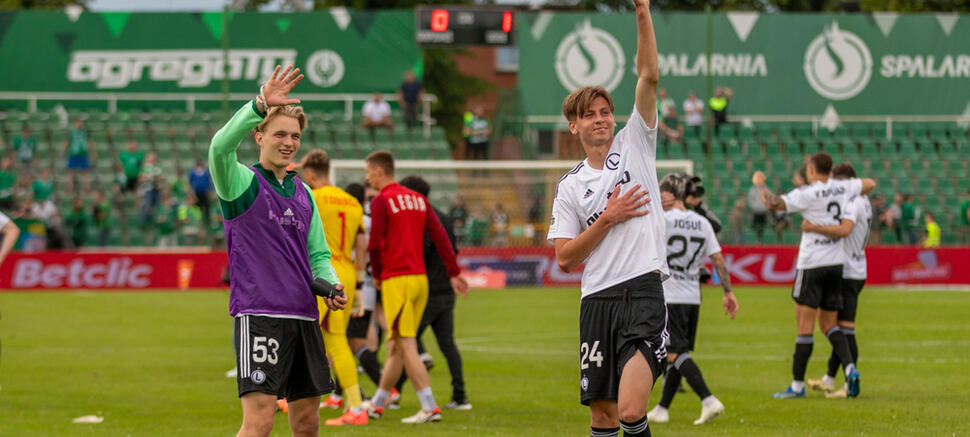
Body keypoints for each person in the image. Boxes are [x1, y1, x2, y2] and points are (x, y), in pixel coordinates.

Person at [546, 2, 665, 435]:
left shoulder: (635, 140)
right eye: (589, 115)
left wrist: (642, 11)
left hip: (642, 290)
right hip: (596, 299)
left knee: (632, 409)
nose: (600, 119)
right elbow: (564, 258)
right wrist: (608, 218)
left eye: (604, 112)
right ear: (573, 127)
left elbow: (648, 75)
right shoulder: (569, 186)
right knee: (602, 416)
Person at [209, 64, 346, 437]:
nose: (289, 142)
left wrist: (332, 285)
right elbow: (220, 146)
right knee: (260, 423)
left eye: (296, 136)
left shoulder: (304, 194)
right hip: (260, 314)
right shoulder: (240, 182)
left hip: (304, 316)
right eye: (280, 133)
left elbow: (318, 255)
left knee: (307, 424)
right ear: (259, 136)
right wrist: (258, 103)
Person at [751, 152, 875, 399]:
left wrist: (759, 183)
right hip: (836, 264)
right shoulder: (843, 187)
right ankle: (850, 369)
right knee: (829, 325)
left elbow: (773, 203)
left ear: (811, 170)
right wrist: (847, 187)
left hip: (812, 263)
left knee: (804, 327)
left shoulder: (807, 193)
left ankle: (797, 386)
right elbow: (870, 183)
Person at [360, 150, 468, 424]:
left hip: (397, 280)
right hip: (420, 281)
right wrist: (454, 271)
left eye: (369, 171)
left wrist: (377, 276)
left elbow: (374, 244)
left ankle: (429, 407)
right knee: (397, 343)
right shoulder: (418, 200)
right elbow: (441, 237)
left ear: (380, 171)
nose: (367, 176)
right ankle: (377, 404)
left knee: (406, 343)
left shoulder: (383, 200)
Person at [647, 173, 738, 425]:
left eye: (662, 194)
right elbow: (718, 260)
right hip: (692, 297)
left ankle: (708, 400)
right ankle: (663, 408)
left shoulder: (662, 220)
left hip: (670, 294)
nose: (660, 198)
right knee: (678, 350)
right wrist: (728, 292)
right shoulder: (702, 223)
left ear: (671, 195)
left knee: (674, 353)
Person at [298, 150, 370, 427]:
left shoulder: (311, 197)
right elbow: (361, 247)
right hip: (348, 270)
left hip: (322, 271)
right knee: (330, 338)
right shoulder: (352, 201)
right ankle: (342, 398)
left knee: (318, 337)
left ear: (312, 174)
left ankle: (355, 406)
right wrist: (361, 288)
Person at [399, 175, 472, 411]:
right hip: (445, 290)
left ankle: (392, 393)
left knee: (405, 341)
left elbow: (419, 252)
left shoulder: (419, 217)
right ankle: (460, 396)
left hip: (427, 290)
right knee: (447, 344)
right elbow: (453, 249)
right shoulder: (445, 217)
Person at [804, 163, 871, 399]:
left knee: (843, 330)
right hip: (858, 268)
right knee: (841, 328)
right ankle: (829, 379)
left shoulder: (852, 202)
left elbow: (844, 230)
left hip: (848, 271)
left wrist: (814, 227)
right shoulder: (865, 200)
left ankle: (849, 383)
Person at [63, 118, 94, 193]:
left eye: (81, 122)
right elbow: (67, 141)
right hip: (74, 154)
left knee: (85, 172)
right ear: (75, 123)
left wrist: (92, 152)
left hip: (83, 154)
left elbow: (89, 142)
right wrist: (63, 149)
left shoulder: (85, 132)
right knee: (71, 172)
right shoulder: (72, 132)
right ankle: (70, 188)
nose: (80, 124)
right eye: (78, 122)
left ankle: (87, 188)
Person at [396, 71, 424, 136]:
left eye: (411, 76)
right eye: (408, 76)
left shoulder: (417, 84)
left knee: (415, 115)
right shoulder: (404, 84)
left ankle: (414, 127)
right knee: (406, 116)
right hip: (407, 103)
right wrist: (401, 102)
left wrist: (420, 100)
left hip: (415, 102)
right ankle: (407, 127)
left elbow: (422, 91)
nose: (410, 78)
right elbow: (400, 93)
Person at [189, 159, 214, 228]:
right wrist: (192, 192)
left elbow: (209, 182)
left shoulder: (206, 173)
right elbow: (191, 182)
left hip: (205, 193)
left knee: (206, 207)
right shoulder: (193, 173)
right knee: (197, 208)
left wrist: (210, 191)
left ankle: (207, 223)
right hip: (197, 193)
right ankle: (198, 222)